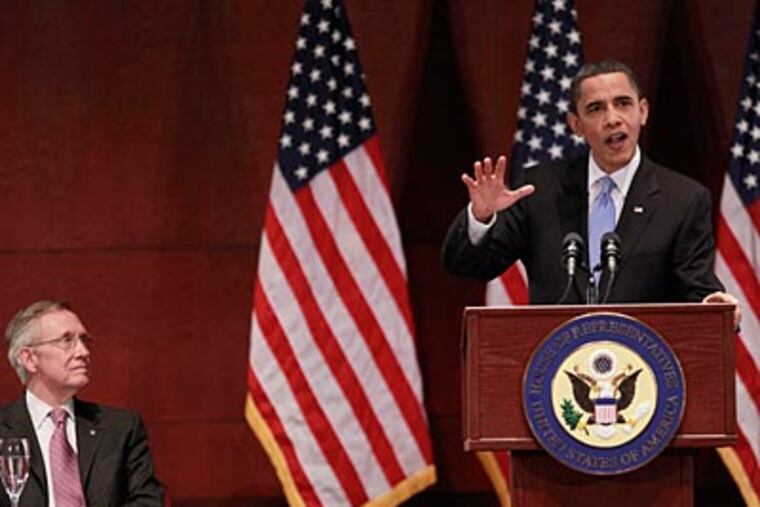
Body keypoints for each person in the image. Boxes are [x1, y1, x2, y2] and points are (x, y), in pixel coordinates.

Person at [442, 59, 741, 328]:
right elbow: (468, 265)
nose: (612, 118)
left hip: (643, 367)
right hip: (555, 366)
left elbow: (698, 288)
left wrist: (713, 305)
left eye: (623, 103)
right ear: (576, 125)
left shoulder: (683, 199)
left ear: (643, 112)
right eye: (596, 109)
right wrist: (480, 217)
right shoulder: (540, 188)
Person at [0, 300, 164, 506]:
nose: (83, 352)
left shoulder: (121, 428)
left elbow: (147, 501)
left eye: (84, 340)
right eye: (66, 341)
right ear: (30, 358)